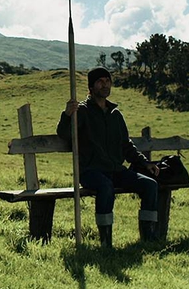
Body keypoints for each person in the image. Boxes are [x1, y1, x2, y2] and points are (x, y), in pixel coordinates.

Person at [57, 67, 161, 248]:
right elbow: (64, 134)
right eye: (100, 82)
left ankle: (148, 237)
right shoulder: (81, 111)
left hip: (116, 170)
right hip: (90, 171)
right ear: (91, 87)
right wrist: (67, 115)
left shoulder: (115, 114)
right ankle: (106, 242)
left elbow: (126, 145)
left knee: (150, 184)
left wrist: (144, 163)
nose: (105, 85)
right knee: (106, 187)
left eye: (107, 81)